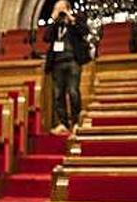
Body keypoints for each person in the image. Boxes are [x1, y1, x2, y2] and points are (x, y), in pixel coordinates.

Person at [44, 0, 91, 135]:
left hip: (73, 61)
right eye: (56, 8)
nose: (59, 11)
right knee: (58, 94)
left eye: (61, 8)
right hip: (57, 63)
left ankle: (76, 122)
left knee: (73, 92)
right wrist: (53, 20)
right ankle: (63, 123)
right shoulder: (56, 26)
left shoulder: (76, 20)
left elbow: (84, 31)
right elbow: (46, 38)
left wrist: (71, 19)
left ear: (68, 9)